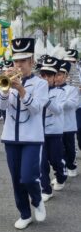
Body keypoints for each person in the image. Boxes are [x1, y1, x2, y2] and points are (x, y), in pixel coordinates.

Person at [0, 38, 48, 230]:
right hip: (11, 137)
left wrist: (20, 89)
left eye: (23, 61)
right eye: (16, 61)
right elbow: (0, 107)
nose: (18, 65)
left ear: (31, 62)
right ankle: (24, 214)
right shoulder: (7, 81)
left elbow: (36, 109)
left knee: (28, 177)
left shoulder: (41, 84)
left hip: (32, 137)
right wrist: (4, 88)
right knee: (16, 179)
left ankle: (37, 199)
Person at [39, 56, 67, 202]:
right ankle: (46, 189)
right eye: (43, 75)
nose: (46, 78)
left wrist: (46, 99)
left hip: (54, 132)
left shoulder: (61, 92)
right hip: (38, 132)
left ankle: (61, 176)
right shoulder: (36, 90)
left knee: (56, 160)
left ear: (55, 76)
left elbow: (58, 110)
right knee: (42, 162)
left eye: (49, 75)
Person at [55, 60, 79, 177]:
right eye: (56, 74)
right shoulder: (51, 89)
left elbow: (72, 104)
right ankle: (62, 169)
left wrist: (59, 103)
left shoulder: (72, 89)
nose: (57, 77)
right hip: (55, 127)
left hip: (68, 125)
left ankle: (72, 166)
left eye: (59, 74)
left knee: (70, 148)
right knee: (59, 150)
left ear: (66, 76)